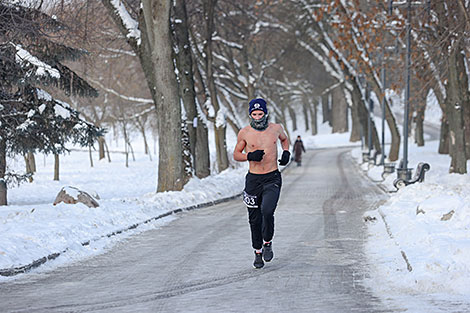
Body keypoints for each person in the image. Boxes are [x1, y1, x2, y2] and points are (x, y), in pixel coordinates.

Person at [233, 98, 290, 269]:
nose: (257, 117)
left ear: (265, 113)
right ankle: (257, 251)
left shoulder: (276, 128)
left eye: (260, 114)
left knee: (267, 210)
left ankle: (267, 242)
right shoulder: (244, 132)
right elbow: (236, 154)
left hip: (272, 177)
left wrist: (286, 152)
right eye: (254, 114)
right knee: (254, 218)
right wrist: (249, 156)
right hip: (253, 180)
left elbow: (285, 140)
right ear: (250, 114)